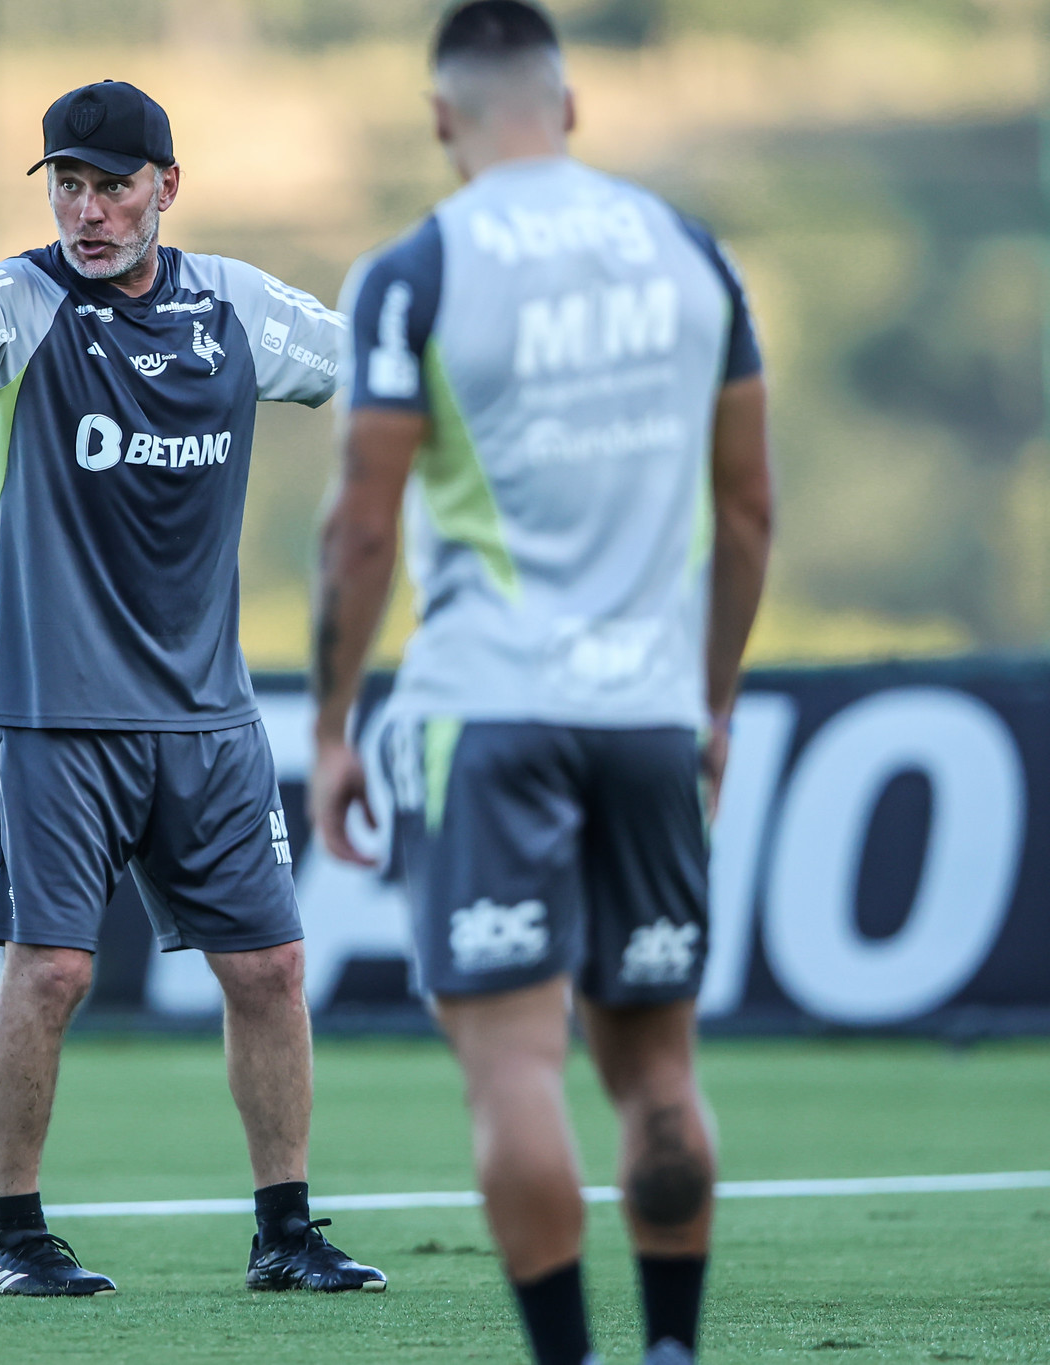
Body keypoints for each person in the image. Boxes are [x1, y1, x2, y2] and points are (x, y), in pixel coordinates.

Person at [0, 79, 386, 1299]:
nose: (86, 211)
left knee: (269, 970)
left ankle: (285, 1232)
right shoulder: (21, 302)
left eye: (110, 185)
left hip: (207, 717)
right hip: (51, 712)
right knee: (50, 970)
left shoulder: (233, 306)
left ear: (166, 187)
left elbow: (364, 357)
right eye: (65, 185)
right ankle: (12, 1235)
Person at [309, 3, 772, 1362]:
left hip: (487, 711)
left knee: (515, 1068)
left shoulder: (415, 269)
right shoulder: (695, 257)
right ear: (568, 108)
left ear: (443, 122)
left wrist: (333, 725)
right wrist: (713, 701)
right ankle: (673, 1348)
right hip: (648, 718)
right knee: (661, 1073)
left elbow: (361, 519)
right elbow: (748, 515)